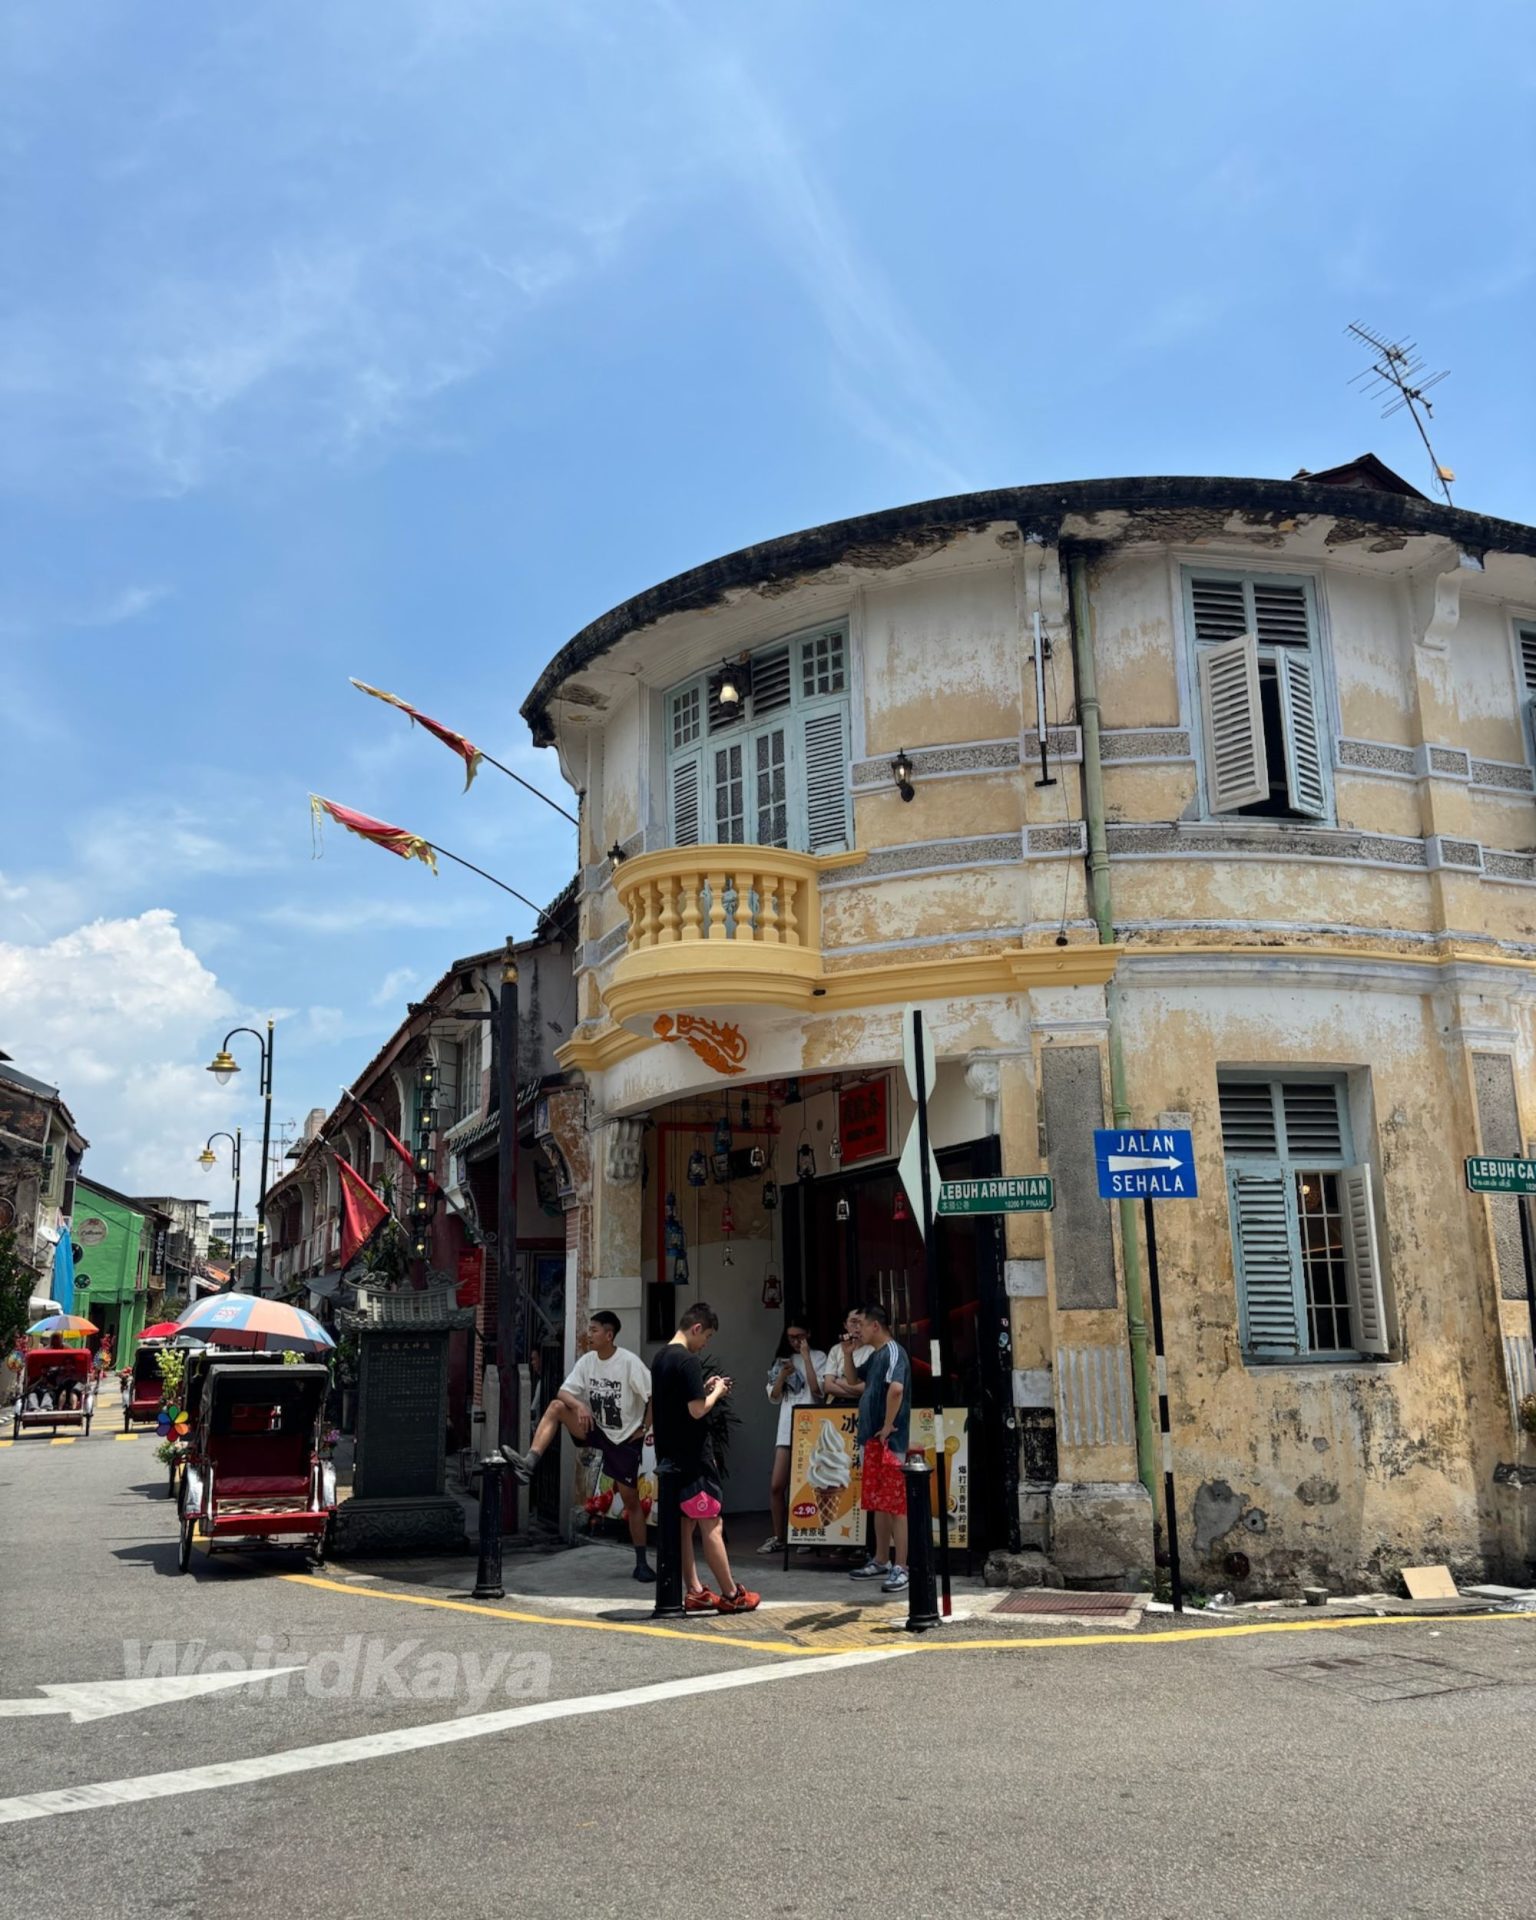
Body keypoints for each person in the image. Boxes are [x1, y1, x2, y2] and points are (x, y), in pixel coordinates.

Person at [500, 1311, 656, 1584]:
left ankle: (641, 1562)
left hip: (624, 1438)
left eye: (594, 1330)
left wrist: (643, 1427)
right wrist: (580, 1404)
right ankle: (529, 1463)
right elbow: (563, 1392)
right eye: (589, 1329)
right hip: (595, 1428)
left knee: (631, 1502)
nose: (589, 1334)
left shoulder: (629, 1363)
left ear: (609, 1335)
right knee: (558, 1406)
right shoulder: (587, 1362)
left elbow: (654, 1396)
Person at [651, 1301, 759, 1613]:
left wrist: (705, 1388)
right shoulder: (687, 1360)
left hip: (669, 1457)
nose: (706, 1343)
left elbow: (676, 1401)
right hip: (693, 1457)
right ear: (696, 1328)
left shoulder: (660, 1358)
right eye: (707, 1336)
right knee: (711, 1522)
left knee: (685, 1525)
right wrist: (718, 1392)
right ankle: (731, 1594)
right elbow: (697, 1410)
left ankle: (695, 1590)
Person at [850, 1302, 911, 1594]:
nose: (856, 1330)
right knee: (879, 1502)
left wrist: (887, 1426)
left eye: (860, 1324)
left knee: (896, 1504)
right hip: (873, 1440)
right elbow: (852, 1381)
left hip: (888, 1441)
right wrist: (848, 1355)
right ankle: (881, 1559)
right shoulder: (875, 1357)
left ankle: (901, 1566)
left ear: (876, 1325)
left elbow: (896, 1389)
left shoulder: (894, 1352)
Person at [759, 1321, 827, 1554]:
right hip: (787, 1426)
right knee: (777, 1484)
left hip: (812, 1426)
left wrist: (806, 1357)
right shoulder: (783, 1359)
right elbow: (774, 1397)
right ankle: (780, 1536)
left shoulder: (819, 1357)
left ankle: (807, 1533)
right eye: (791, 1338)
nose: (796, 1342)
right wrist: (781, 1377)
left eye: (800, 1336)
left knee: (809, 1483)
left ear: (809, 1334)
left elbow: (818, 1390)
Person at [819, 1309, 873, 1404]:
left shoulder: (872, 1350)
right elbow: (828, 1386)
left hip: (864, 1404)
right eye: (853, 1322)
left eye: (861, 1322)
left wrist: (838, 1381)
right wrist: (857, 1392)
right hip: (837, 1406)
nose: (858, 1326)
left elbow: (868, 1389)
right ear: (845, 1325)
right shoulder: (836, 1350)